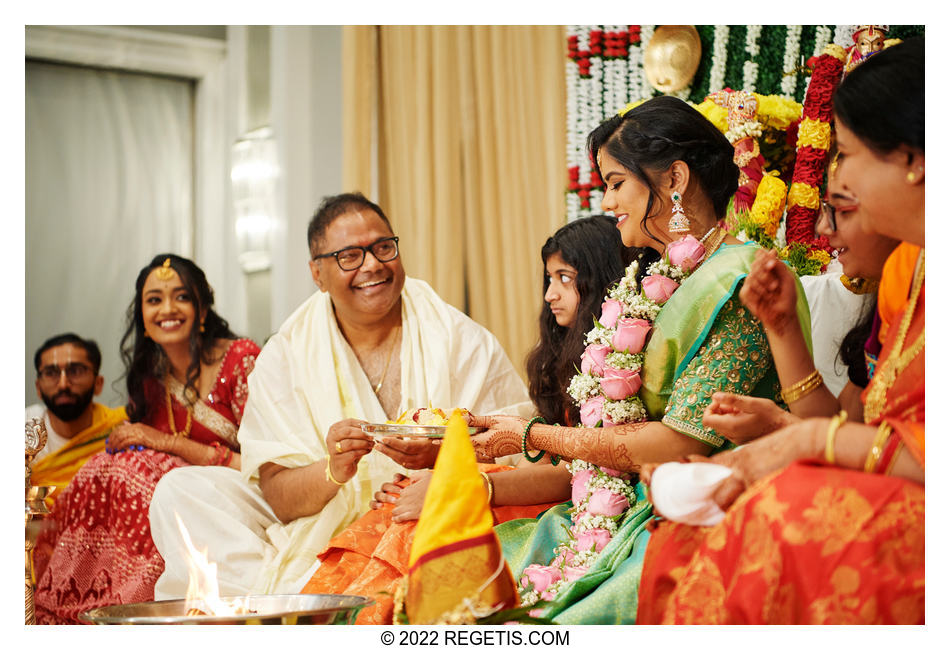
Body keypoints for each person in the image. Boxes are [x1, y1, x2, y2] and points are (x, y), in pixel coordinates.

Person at [468, 95, 811, 624]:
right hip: (628, 499)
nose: (608, 203)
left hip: (698, 505)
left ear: (674, 180)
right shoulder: (661, 278)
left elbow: (679, 440)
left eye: (615, 182)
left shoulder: (736, 281)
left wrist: (532, 436)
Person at [637, 37, 924, 625]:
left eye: (847, 155)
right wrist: (784, 336)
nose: (832, 215)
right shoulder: (910, 271)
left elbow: (859, 442)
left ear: (914, 159)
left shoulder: (902, 266)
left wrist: (794, 441)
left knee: (774, 512)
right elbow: (861, 430)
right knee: (694, 527)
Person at [148, 192, 534, 600]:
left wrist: (436, 469)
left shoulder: (455, 336)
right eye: (350, 256)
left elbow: (516, 444)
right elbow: (278, 496)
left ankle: (304, 600)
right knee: (181, 490)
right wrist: (332, 470)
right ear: (317, 274)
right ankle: (300, 593)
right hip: (323, 518)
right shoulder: (288, 353)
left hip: (431, 506)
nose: (372, 265)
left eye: (383, 248)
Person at [299, 214, 634, 623]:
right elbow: (545, 458)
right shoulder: (564, 356)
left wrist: (460, 487)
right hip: (531, 488)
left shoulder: (621, 362)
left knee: (421, 533)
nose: (549, 295)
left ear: (602, 281)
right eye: (548, 279)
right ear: (317, 272)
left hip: (582, 508)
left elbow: (578, 472)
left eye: (565, 278)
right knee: (393, 518)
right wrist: (437, 473)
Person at [34, 254, 260, 624]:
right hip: (173, 504)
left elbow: (262, 466)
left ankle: (133, 599)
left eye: (181, 297)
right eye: (154, 299)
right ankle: (88, 603)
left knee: (135, 472)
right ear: (141, 313)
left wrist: (168, 443)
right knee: (106, 469)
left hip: (238, 496)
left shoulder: (240, 359)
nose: (167, 309)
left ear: (202, 307)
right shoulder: (150, 379)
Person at [701, 149, 901, 443]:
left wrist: (780, 427)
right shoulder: (889, 304)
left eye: (841, 209)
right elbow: (839, 426)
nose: (822, 226)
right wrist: (782, 325)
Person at [27, 333, 128, 583]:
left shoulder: (120, 431)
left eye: (76, 371)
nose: (63, 383)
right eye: (51, 373)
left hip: (105, 557)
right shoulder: (23, 430)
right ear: (38, 388)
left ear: (98, 383)